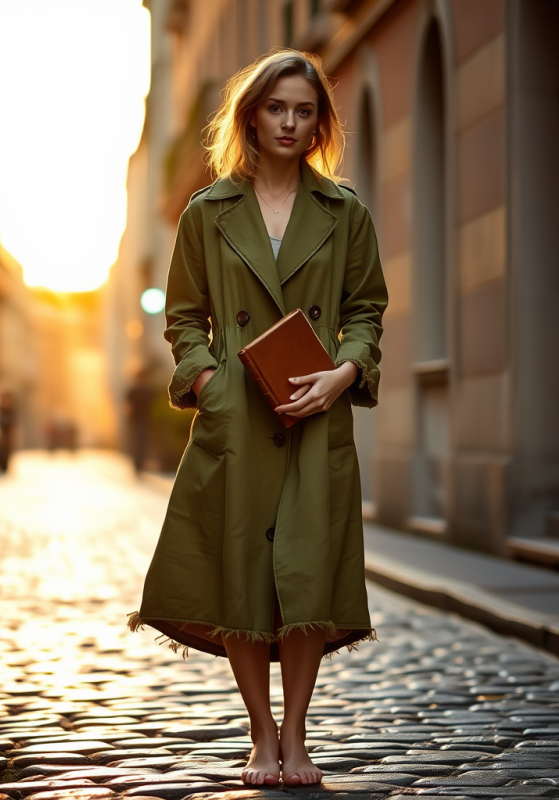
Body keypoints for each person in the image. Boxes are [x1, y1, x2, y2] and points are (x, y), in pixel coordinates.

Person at [127, 48, 389, 787]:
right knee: (243, 576)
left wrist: (343, 373)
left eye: (305, 111)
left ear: (319, 123)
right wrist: (206, 379)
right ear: (251, 114)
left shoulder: (346, 212)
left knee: (305, 577)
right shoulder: (207, 213)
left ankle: (299, 736)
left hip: (316, 411)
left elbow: (366, 310)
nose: (291, 122)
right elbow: (183, 317)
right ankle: (261, 735)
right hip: (238, 417)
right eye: (277, 108)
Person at [125, 368, 154, 474]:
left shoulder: (146, 391)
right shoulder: (135, 391)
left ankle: (139, 464)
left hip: (142, 420)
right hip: (137, 420)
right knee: (138, 442)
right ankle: (137, 464)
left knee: (141, 442)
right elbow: (128, 407)